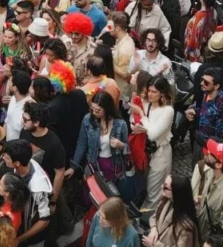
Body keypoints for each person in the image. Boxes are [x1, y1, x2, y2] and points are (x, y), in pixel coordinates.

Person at [131, 75, 174, 211]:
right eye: (149, 90)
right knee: (145, 188)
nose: (150, 94)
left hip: (160, 155)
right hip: (144, 153)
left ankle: (153, 221)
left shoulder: (168, 111)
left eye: (154, 91)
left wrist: (141, 116)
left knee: (154, 192)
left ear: (162, 93)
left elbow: (153, 134)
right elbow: (134, 120)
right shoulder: (146, 104)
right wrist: (137, 123)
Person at [0, 139, 52, 247]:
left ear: (17, 163)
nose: (3, 157)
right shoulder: (22, 165)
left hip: (33, 237)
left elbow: (44, 220)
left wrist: (20, 239)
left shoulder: (37, 187)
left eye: (7, 157)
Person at [72, 91, 130, 184]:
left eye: (98, 110)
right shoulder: (87, 119)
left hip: (112, 165)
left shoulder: (120, 124)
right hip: (93, 164)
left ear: (107, 109)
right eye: (92, 109)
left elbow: (128, 150)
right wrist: (74, 166)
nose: (94, 113)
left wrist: (121, 145)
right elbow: (82, 143)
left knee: (109, 194)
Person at [186, 67, 223, 152]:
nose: (202, 83)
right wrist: (192, 110)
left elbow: (220, 136)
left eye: (206, 82)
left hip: (211, 149)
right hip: (199, 141)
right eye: (202, 79)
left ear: (216, 86)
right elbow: (198, 105)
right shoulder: (204, 93)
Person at [146, 174, 199, 247]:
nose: (162, 187)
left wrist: (154, 245)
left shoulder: (186, 227)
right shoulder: (165, 201)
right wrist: (153, 229)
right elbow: (154, 217)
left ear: (176, 192)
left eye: (165, 187)